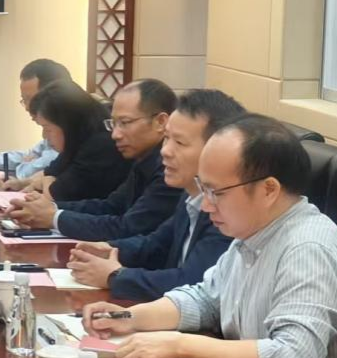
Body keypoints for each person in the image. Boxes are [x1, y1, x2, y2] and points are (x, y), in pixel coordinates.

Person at [82, 115, 337, 358]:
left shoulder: (308, 249)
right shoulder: (253, 233)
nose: (206, 205)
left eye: (217, 192)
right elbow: (205, 299)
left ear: (268, 189)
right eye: (203, 188)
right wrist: (130, 317)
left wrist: (180, 346)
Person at [67, 88, 244, 300]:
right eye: (166, 139)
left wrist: (115, 276)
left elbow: (194, 283)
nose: (165, 151)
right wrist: (109, 249)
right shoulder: (191, 194)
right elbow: (156, 244)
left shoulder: (228, 209)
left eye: (179, 142)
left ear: (218, 149)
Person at [9, 79, 180, 239]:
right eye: (114, 124)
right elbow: (111, 206)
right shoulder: (143, 159)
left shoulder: (170, 168)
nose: (115, 134)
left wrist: (54, 217)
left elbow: (128, 227)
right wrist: (49, 209)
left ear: (160, 122)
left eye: (125, 123)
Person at [12, 80, 128, 202]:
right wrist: (23, 183)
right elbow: (50, 172)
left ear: (68, 124)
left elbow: (54, 195)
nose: (44, 136)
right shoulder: (78, 140)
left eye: (48, 128)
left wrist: (46, 181)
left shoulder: (100, 146)